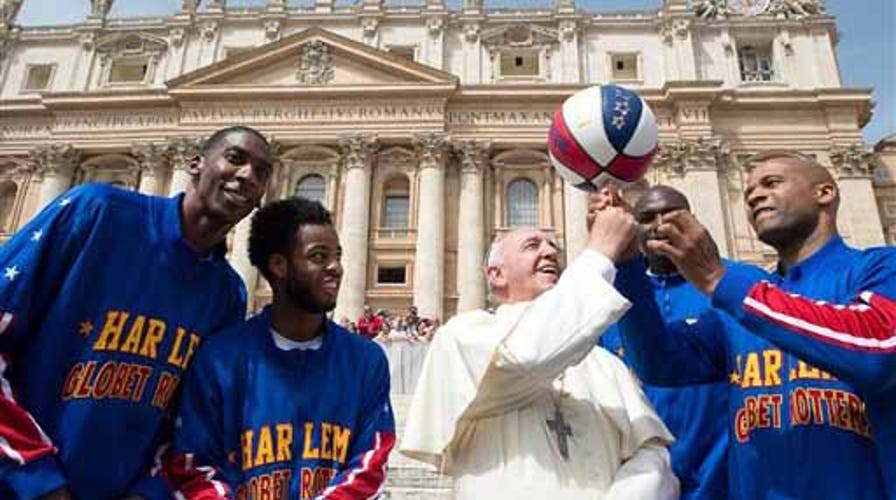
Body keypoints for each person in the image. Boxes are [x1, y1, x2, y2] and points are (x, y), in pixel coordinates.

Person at [0, 126, 272, 499]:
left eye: (262, 172)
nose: (247, 176)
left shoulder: (227, 294)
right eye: (235, 159)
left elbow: (191, 417)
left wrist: (148, 490)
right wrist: (36, 477)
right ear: (195, 164)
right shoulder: (96, 212)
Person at [616, 151, 895, 498]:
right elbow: (658, 362)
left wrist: (721, 281)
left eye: (771, 183)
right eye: (747, 193)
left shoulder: (880, 268)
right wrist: (626, 265)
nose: (755, 195)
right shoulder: (743, 305)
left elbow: (881, 349)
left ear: (824, 193)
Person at [400, 186, 678, 500]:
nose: (550, 252)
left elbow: (652, 456)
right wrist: (600, 252)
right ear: (495, 274)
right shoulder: (462, 334)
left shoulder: (604, 362)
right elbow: (527, 355)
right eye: (533, 245)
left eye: (553, 246)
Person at [165, 197, 395, 499]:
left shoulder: (366, 360)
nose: (336, 268)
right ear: (278, 266)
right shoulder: (218, 359)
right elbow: (193, 468)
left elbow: (370, 463)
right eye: (318, 256)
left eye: (337, 255)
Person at [599, 185, 728, 500]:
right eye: (646, 218)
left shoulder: (732, 285)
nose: (660, 225)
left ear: (694, 220)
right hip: (638, 481)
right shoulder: (611, 301)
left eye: (671, 214)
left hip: (723, 478)